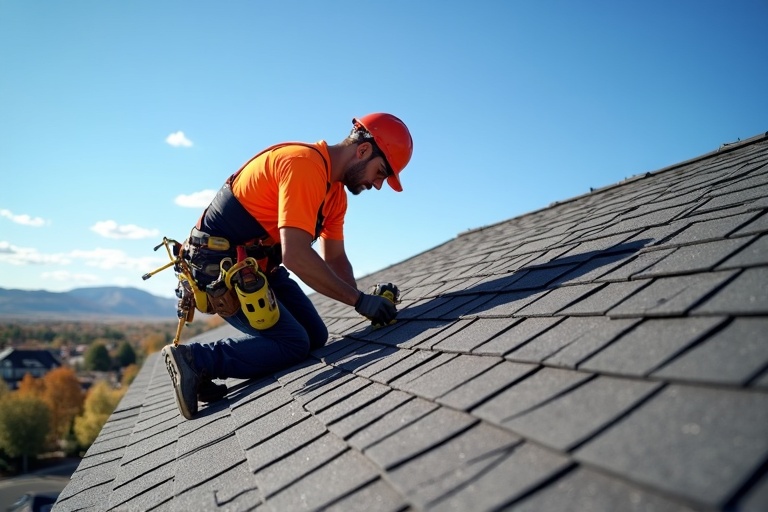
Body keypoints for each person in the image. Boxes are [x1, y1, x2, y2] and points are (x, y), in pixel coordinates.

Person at [161, 113, 413, 419]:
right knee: (294, 343)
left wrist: (364, 299)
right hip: (219, 269)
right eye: (381, 172)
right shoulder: (303, 165)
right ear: (362, 150)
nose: (377, 184)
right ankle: (195, 359)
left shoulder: (334, 196)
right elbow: (295, 255)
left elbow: (334, 259)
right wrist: (359, 301)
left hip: (258, 268)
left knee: (315, 336)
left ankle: (203, 370)